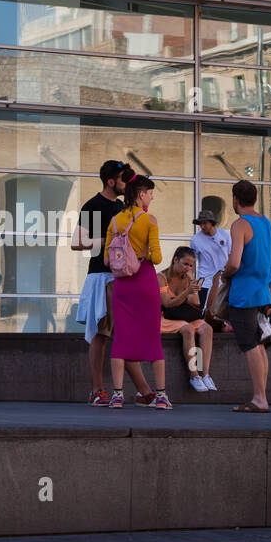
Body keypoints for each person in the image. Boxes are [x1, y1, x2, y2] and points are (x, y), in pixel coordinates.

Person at [72, 160, 141, 406]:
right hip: (101, 275)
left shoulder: (122, 206)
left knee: (124, 334)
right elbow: (76, 241)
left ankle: (143, 390)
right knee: (100, 334)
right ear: (111, 181)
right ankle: (97, 389)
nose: (126, 184)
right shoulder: (93, 205)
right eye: (123, 179)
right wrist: (110, 240)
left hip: (120, 275)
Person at [103, 174, 171, 409]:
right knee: (153, 339)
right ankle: (161, 396)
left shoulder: (114, 220)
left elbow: (105, 259)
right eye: (150, 193)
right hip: (144, 283)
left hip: (123, 286)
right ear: (141, 194)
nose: (151, 198)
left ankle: (117, 395)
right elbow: (157, 256)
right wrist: (141, 252)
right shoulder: (149, 220)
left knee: (120, 339)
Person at [223, 180, 271, 412]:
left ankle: (259, 398)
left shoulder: (240, 224)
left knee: (250, 345)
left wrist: (225, 275)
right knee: (260, 345)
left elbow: (234, 263)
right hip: (263, 292)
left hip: (244, 293)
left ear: (235, 199)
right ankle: (261, 396)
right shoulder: (266, 223)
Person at [159, 247, 214, 392]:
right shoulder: (161, 277)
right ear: (175, 260)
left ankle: (204, 374)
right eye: (185, 264)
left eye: (191, 265)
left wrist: (192, 284)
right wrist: (186, 293)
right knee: (188, 329)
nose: (188, 268)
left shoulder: (188, 278)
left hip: (182, 316)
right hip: (164, 317)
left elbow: (194, 303)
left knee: (206, 328)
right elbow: (167, 304)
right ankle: (194, 375)